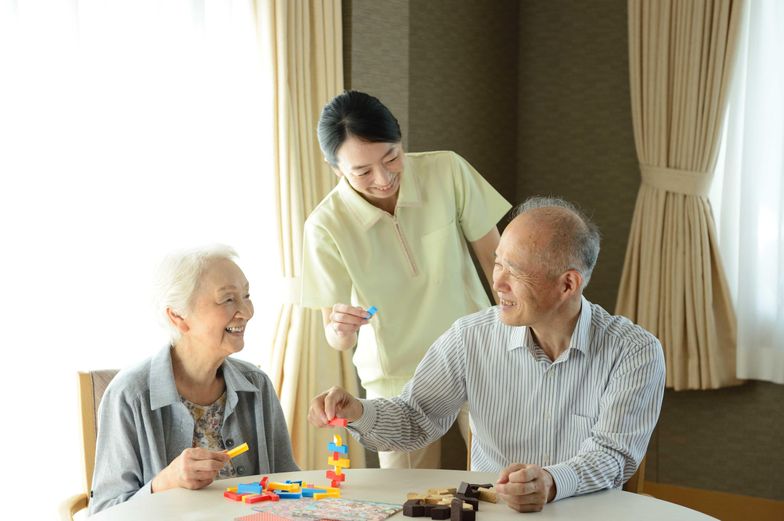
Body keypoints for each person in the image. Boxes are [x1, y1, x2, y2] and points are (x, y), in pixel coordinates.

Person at [308, 197, 665, 512]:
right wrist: (357, 411)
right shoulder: (470, 337)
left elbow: (613, 455)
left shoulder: (634, 351)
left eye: (516, 271)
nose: (497, 282)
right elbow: (416, 418)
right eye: (498, 263)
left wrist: (551, 483)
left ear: (568, 284)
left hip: (588, 514)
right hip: (492, 514)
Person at [301, 90, 511, 469]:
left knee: (503, 480)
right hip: (395, 377)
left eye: (391, 158)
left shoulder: (447, 170)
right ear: (337, 170)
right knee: (403, 499)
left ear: (400, 141)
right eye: (362, 172)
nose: (383, 179)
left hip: (476, 355)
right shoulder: (325, 225)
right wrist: (341, 327)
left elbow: (499, 266)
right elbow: (336, 338)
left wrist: (519, 340)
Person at [89, 245, 298, 514]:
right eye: (228, 300)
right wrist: (164, 482)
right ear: (178, 316)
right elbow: (104, 513)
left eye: (246, 295)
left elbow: (288, 486)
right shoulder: (129, 395)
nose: (246, 311)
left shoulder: (257, 385)